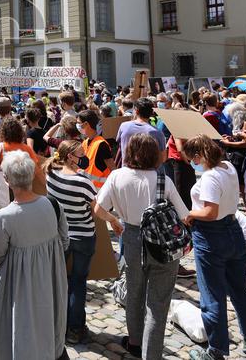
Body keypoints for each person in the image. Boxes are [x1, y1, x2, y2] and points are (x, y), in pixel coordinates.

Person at [94, 133, 187, 360]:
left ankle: (135, 342)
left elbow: (97, 208)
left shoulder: (117, 176)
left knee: (134, 293)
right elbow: (184, 215)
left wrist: (114, 221)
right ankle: (151, 354)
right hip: (162, 243)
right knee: (158, 302)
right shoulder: (163, 180)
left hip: (132, 237)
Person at [0, 150, 69, 360]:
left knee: (21, 329)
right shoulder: (53, 205)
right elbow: (64, 242)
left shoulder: (4, 217)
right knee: (47, 324)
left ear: (8, 181)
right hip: (50, 280)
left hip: (18, 286)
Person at [180, 135, 246, 360]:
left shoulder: (210, 177)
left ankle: (216, 350)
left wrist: (189, 214)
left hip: (211, 235)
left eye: (192, 158)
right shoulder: (227, 167)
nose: (191, 162)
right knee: (240, 291)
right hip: (232, 230)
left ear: (199, 156)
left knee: (212, 295)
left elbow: (210, 212)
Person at [45, 140, 98, 343]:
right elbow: (96, 209)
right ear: (69, 156)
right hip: (84, 236)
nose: (84, 157)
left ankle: (57, 323)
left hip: (61, 235)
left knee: (61, 280)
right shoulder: (83, 182)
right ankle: (75, 328)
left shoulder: (51, 174)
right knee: (78, 281)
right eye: (81, 154)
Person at [78, 109, 113, 192]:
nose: (77, 126)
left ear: (86, 124)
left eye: (79, 123)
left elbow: (112, 168)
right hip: (89, 190)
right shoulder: (85, 142)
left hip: (101, 192)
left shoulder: (101, 144)